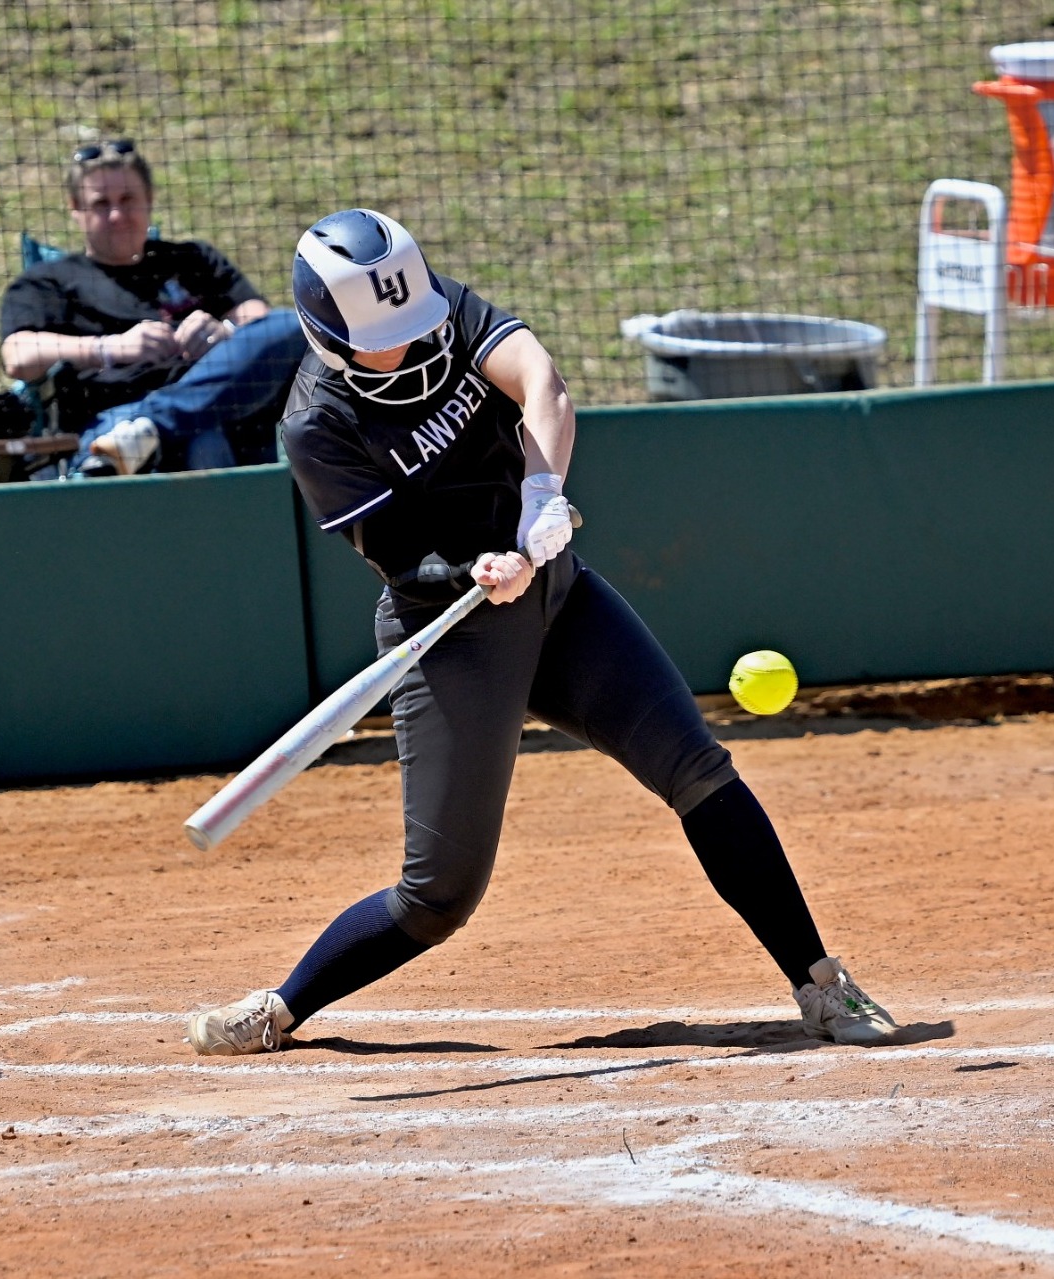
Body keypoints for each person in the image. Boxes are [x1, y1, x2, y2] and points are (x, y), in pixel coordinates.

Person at [185, 209, 900, 1056]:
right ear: (328, 335)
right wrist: (479, 571)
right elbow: (402, 560)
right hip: (454, 638)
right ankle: (281, 1008)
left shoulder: (430, 309)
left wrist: (541, 493)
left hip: (558, 598)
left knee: (699, 771)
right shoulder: (316, 426)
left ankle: (821, 984)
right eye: (385, 339)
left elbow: (539, 381)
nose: (413, 346)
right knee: (437, 898)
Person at [0, 140, 309, 475]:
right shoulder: (49, 281)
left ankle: (153, 425)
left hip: (217, 402)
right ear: (76, 208)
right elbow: (18, 355)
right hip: (112, 419)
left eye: (128, 199)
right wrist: (111, 348)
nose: (117, 215)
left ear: (149, 199)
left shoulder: (192, 260)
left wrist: (225, 331)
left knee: (292, 325)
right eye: (101, 203)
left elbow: (260, 318)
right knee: (202, 439)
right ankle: (149, 429)